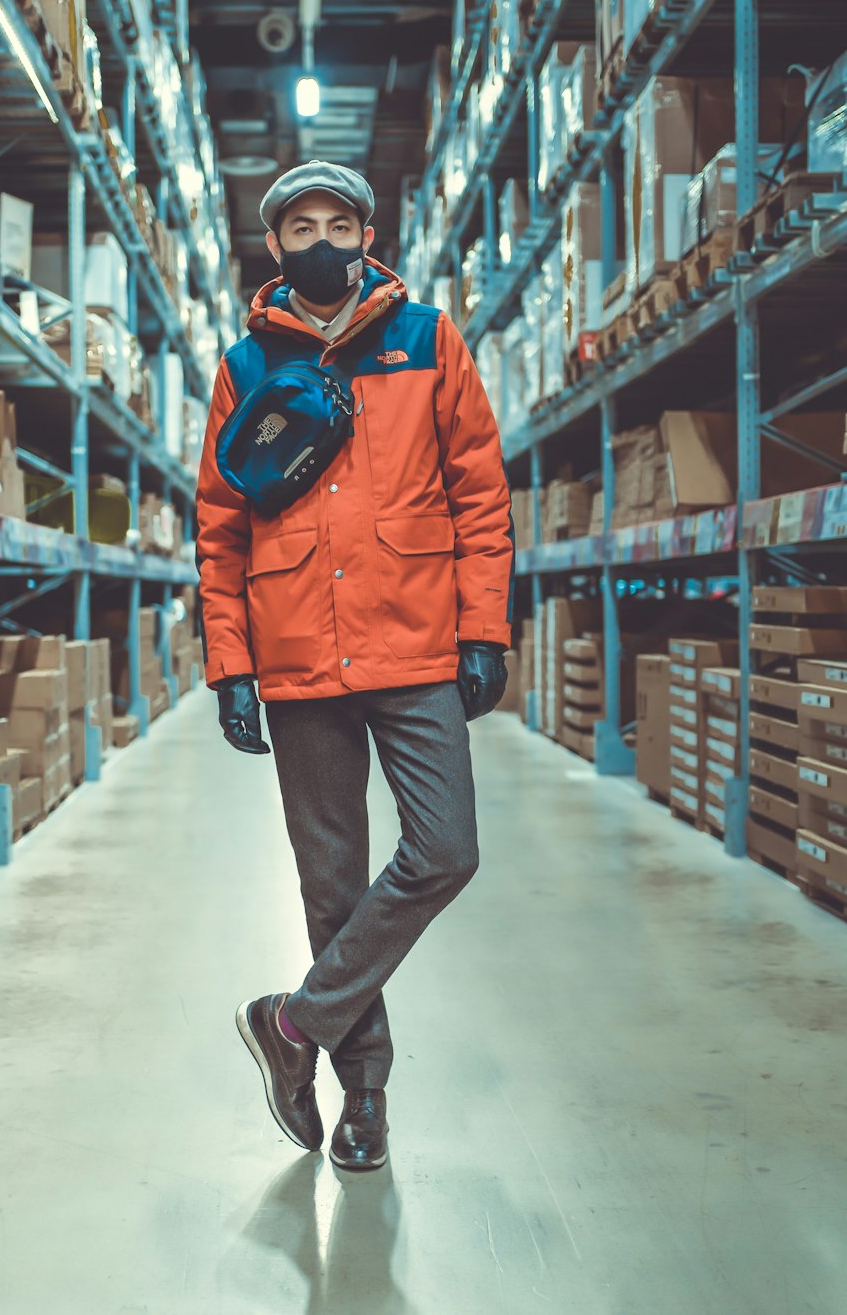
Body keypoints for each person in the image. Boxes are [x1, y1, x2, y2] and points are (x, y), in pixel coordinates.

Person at [196, 161, 514, 1172]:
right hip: (295, 651)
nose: (321, 241)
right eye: (301, 227)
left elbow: (479, 495)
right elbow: (218, 527)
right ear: (277, 247)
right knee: (330, 884)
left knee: (447, 849)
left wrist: (483, 630)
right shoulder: (247, 364)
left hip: (414, 639)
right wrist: (229, 666)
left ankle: (290, 1025)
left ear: (367, 234)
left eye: (338, 222)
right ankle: (360, 1096)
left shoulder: (427, 341)